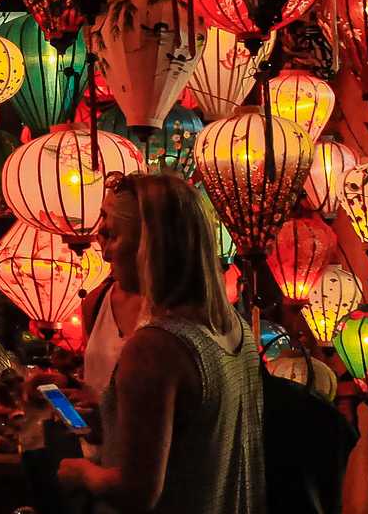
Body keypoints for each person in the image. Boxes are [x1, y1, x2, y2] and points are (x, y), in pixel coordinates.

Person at [57, 173, 265, 514]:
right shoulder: (237, 331)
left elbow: (136, 492)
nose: (105, 252)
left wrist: (81, 473)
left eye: (111, 234)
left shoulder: (155, 347)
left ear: (148, 244)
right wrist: (110, 416)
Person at [79, 182, 149, 419]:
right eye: (102, 235)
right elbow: (104, 389)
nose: (106, 253)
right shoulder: (97, 302)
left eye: (113, 235)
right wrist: (76, 390)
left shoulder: (177, 322)